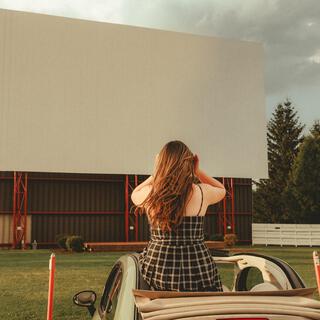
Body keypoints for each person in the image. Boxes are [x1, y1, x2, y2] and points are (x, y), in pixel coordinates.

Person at [131, 140, 226, 292]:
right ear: (190, 164)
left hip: (159, 270)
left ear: (161, 164)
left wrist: (156, 173)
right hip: (199, 269)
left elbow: (134, 193)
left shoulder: (150, 195)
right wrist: (198, 172)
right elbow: (221, 189)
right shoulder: (202, 192)